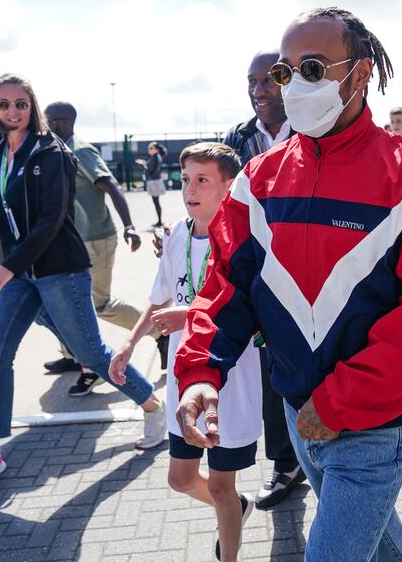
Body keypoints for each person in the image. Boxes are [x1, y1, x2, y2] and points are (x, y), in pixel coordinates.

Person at [174, 6, 402, 561]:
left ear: (359, 75)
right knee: (379, 548)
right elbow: (224, 289)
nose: (291, 85)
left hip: (373, 419)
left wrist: (337, 404)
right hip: (299, 410)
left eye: (312, 68)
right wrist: (201, 373)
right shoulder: (258, 180)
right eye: (285, 72)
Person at [0, 73, 166, 484]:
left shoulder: (50, 151)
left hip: (60, 270)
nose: (12, 111)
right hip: (21, 273)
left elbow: (52, 218)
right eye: (4, 104)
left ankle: (153, 406)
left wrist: (7, 265)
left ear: (31, 106)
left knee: (90, 353)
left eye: (20, 103)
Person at [111, 143, 261, 562]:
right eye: (185, 180)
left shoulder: (244, 238)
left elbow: (251, 308)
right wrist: (130, 341)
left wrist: (190, 313)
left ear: (228, 186)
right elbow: (160, 299)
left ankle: (228, 549)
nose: (190, 190)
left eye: (202, 180)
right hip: (184, 375)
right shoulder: (177, 232)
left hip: (231, 377)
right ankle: (236, 510)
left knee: (219, 485)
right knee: (179, 479)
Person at [223, 50, 306, 510]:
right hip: (262, 271)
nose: (258, 91)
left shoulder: (316, 128)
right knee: (270, 365)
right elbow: (221, 197)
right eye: (251, 82)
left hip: (316, 268)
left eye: (268, 81)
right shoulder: (238, 138)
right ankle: (286, 462)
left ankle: (324, 452)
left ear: (288, 79)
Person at [43, 102, 167, 395]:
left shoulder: (80, 150)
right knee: (61, 300)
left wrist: (129, 225)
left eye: (55, 121)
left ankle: (158, 332)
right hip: (71, 239)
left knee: (97, 304)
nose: (50, 127)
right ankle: (73, 356)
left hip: (95, 238)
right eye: (48, 121)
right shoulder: (55, 150)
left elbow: (111, 185)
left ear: (67, 122)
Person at [135, 141, 166, 227]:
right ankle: (159, 220)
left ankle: (159, 221)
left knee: (156, 202)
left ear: (156, 149)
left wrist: (143, 164)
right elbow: (150, 166)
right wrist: (145, 163)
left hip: (154, 182)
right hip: (155, 181)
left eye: (151, 148)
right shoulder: (156, 157)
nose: (149, 150)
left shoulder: (155, 157)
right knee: (156, 202)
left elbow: (149, 170)